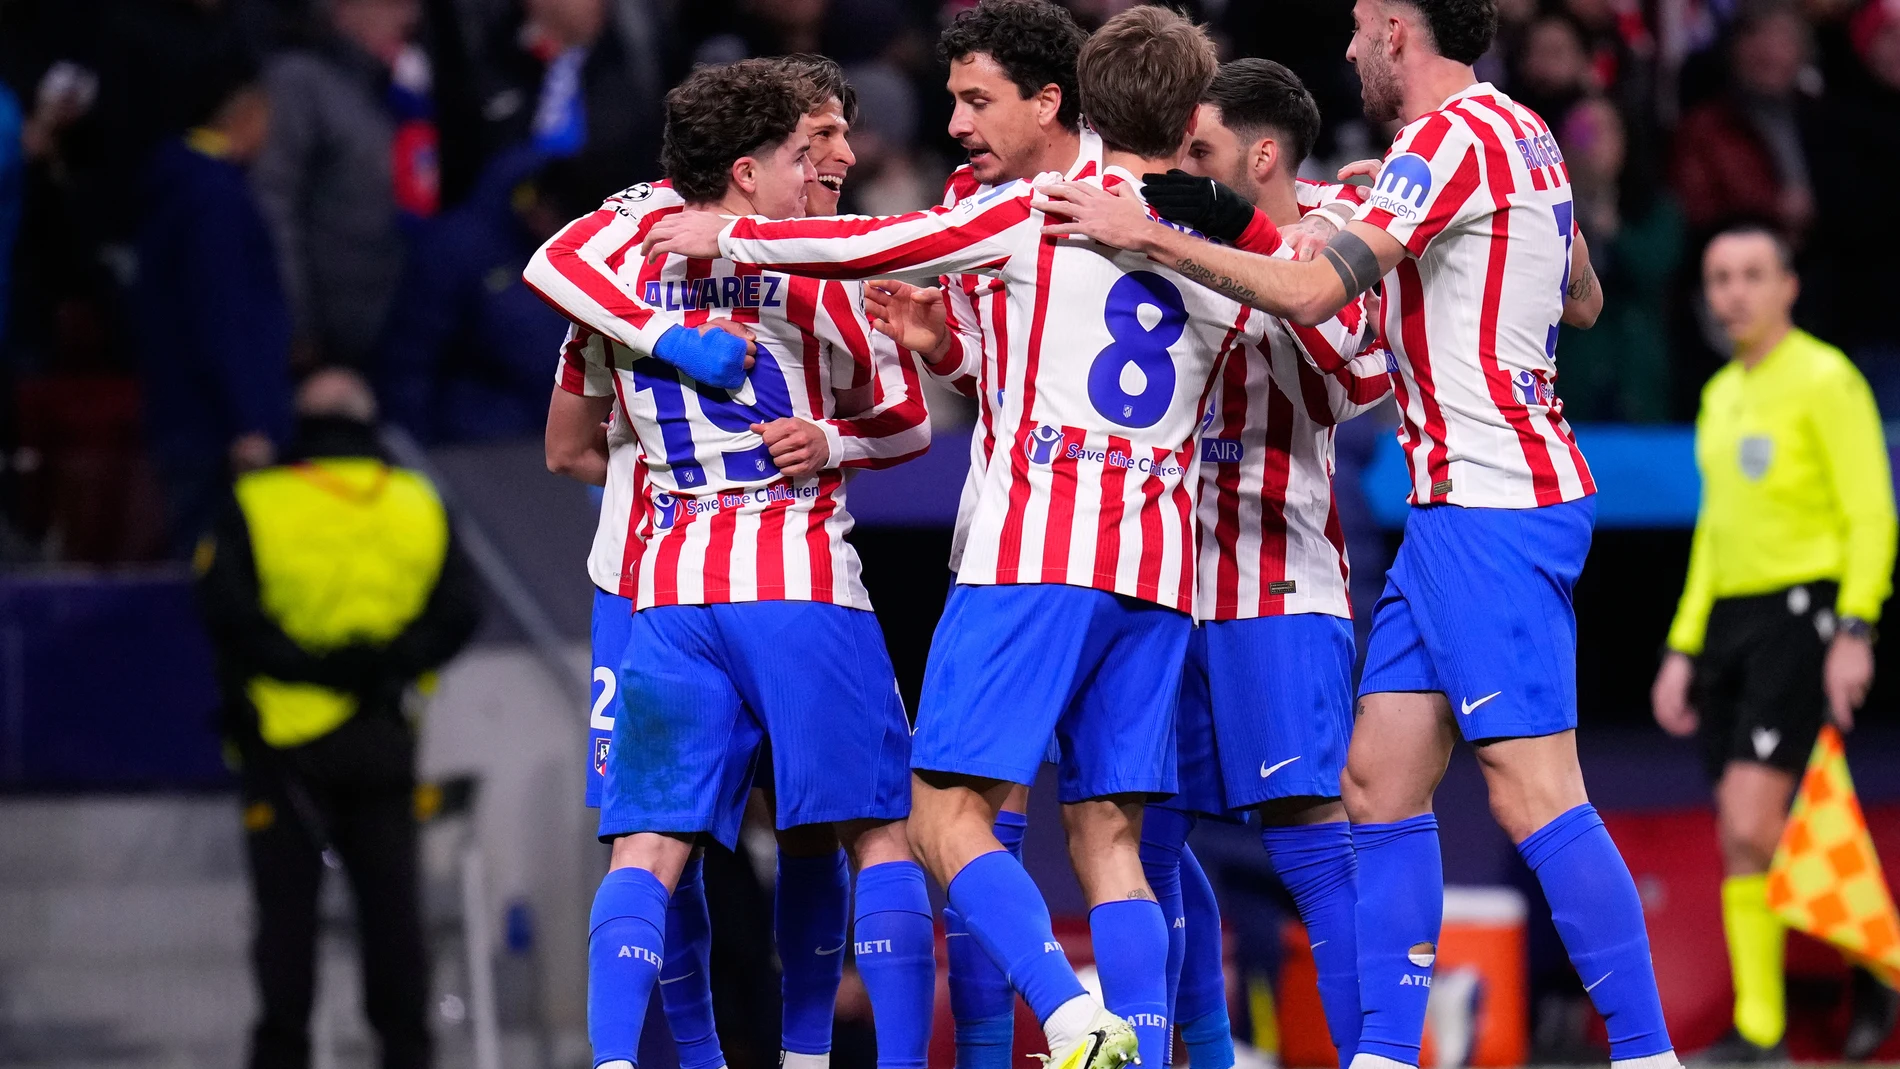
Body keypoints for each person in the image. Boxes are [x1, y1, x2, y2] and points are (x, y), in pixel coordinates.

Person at [645, 11, 1321, 1069]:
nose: (958, 122)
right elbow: (1314, 348)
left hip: (1033, 551)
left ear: (1072, 99)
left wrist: (727, 238)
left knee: (940, 818)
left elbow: (876, 241)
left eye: (974, 100)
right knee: (1110, 838)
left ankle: (1070, 1016)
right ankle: (1141, 1054)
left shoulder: (1041, 209)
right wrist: (948, 343)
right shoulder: (1218, 241)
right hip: (1156, 564)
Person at [1028, 3, 1686, 1069]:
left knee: (1535, 790)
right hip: (1452, 505)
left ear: (1397, 28)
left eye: (1357, 24)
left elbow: (1310, 290)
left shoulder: (1445, 141)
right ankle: (1382, 1053)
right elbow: (1582, 297)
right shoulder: (1517, 130)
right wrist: (1426, 229)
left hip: (1494, 502)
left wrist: (1148, 235)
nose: (1345, 48)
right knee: (1377, 780)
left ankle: (1649, 1053)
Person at [524, 58, 935, 1069]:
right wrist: (832, 438)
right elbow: (905, 416)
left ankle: (616, 1060)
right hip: (796, 577)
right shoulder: (815, 269)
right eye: (804, 150)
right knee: (871, 828)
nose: (824, 166)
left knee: (648, 847)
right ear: (747, 170)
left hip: (668, 586)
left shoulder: (624, 274)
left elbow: (562, 326)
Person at [1141, 58, 1391, 1069]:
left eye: (1199, 152)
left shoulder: (1335, 239)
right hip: (1157, 586)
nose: (1182, 172)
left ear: (1261, 156)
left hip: (1279, 581)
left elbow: (1351, 378)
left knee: (1309, 842)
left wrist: (1239, 233)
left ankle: (1375, 1056)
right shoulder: (1157, 227)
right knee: (1145, 835)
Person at [1651, 224, 1900, 1064]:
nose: (1734, 293)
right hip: (1731, 625)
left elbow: (1871, 511)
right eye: (1719, 277)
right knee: (1751, 830)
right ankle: (1858, 965)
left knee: (1750, 816)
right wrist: (1683, 647)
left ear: (1789, 285)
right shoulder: (1720, 394)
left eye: (1752, 274)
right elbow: (1715, 531)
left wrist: (1855, 626)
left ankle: (1765, 1031)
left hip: (1803, 614)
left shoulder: (1827, 379)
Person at [195, 368, 482, 1069]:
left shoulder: (258, 500)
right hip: (383, 732)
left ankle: (282, 1055)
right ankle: (408, 1054)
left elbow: (225, 616)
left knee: (286, 923)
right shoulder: (417, 500)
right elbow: (460, 610)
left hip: (285, 741)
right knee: (393, 914)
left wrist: (313, 668)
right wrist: (385, 665)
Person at [134, 62, 293, 557]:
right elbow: (224, 315)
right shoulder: (215, 198)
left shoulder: (187, 184)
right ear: (246, 115)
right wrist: (248, 421)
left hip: (188, 416)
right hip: (213, 428)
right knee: (214, 567)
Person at [253, 0, 432, 368]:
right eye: (394, 3)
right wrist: (296, 326)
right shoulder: (299, 82)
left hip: (395, 331)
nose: (409, 17)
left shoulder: (395, 90)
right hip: (323, 344)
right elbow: (272, 205)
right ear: (343, 8)